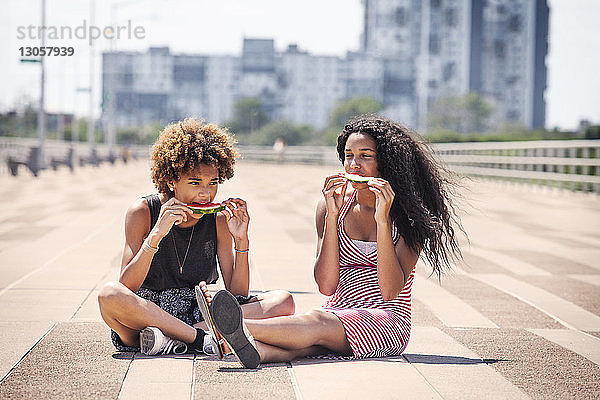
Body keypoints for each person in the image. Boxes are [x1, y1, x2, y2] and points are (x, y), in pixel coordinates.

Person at [201, 114, 463, 366]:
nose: (354, 165)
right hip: (335, 310)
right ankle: (249, 347)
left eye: (365, 157)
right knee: (305, 346)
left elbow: (389, 291)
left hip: (386, 320)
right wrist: (332, 217)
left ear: (387, 162)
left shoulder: (409, 219)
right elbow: (326, 286)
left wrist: (383, 221)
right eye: (348, 156)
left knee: (315, 322)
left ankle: (232, 328)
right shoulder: (330, 208)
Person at [97, 117, 294, 356]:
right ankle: (201, 339)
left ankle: (173, 339)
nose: (206, 192)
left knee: (283, 301)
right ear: (171, 180)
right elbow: (126, 286)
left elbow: (236, 294)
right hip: (146, 313)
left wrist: (241, 241)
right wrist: (156, 236)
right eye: (195, 182)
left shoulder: (218, 218)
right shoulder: (142, 212)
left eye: (213, 183)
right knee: (109, 294)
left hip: (197, 309)